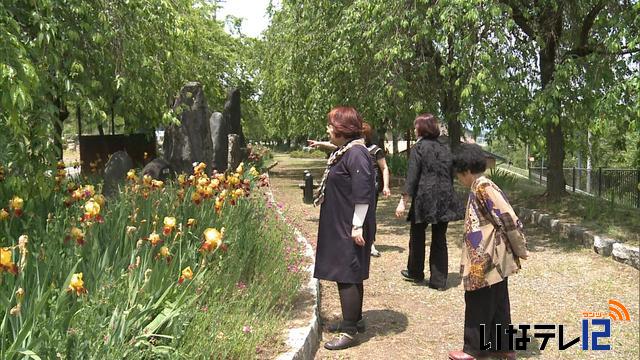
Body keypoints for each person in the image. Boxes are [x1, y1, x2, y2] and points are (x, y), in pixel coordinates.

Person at [447, 143, 528, 360]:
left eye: (459, 174)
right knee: (498, 301)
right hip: (491, 256)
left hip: (487, 257)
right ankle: (503, 346)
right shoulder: (480, 186)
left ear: (466, 171)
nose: (459, 179)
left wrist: (519, 247)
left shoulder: (483, 186)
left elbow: (507, 217)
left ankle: (473, 349)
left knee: (478, 301)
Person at [313, 106, 376, 350]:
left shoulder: (357, 154)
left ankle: (349, 331)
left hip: (350, 223)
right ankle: (356, 320)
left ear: (342, 129)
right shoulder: (348, 150)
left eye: (331, 125)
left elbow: (363, 193)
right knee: (351, 271)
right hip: (342, 221)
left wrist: (357, 226)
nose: (328, 129)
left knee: (346, 274)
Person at [395, 113, 462, 290]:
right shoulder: (445, 149)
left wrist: (403, 201)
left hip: (425, 197)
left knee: (417, 235)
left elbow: (412, 176)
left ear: (422, 128)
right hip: (445, 197)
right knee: (440, 238)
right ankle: (438, 281)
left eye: (416, 126)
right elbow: (451, 174)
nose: (414, 129)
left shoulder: (419, 148)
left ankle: (415, 272)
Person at [309, 122, 390, 257]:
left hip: (370, 186)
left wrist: (386, 186)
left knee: (368, 214)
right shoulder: (351, 148)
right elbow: (336, 144)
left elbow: (384, 168)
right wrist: (319, 143)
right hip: (353, 189)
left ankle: (370, 243)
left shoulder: (371, 150)